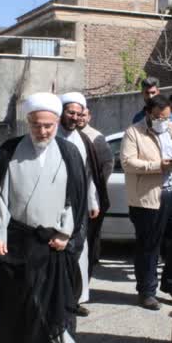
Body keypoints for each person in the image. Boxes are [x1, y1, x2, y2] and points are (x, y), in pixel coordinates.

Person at [0, 92, 88, 343]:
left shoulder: (68, 153)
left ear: (57, 123)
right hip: (16, 241)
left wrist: (66, 234)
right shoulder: (10, 149)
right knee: (16, 301)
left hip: (53, 242)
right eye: (37, 125)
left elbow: (75, 199)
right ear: (28, 122)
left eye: (49, 126)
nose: (42, 132)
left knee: (57, 304)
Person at [120, 94, 172, 310]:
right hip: (149, 198)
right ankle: (146, 291)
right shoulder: (134, 133)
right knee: (148, 246)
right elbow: (127, 162)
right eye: (159, 117)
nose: (164, 120)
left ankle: (171, 283)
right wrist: (158, 165)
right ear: (148, 114)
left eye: (167, 116)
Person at [57, 92, 110, 316]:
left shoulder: (83, 139)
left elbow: (88, 175)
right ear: (61, 113)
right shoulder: (51, 135)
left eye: (79, 114)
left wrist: (92, 201)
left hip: (78, 207)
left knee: (79, 254)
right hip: (55, 205)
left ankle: (75, 298)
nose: (75, 118)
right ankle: (56, 299)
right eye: (70, 113)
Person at [76, 107, 114, 278]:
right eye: (77, 114)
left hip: (91, 199)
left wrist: (95, 194)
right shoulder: (67, 134)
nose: (79, 118)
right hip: (75, 199)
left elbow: (105, 166)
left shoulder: (95, 138)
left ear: (89, 117)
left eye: (83, 115)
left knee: (88, 243)